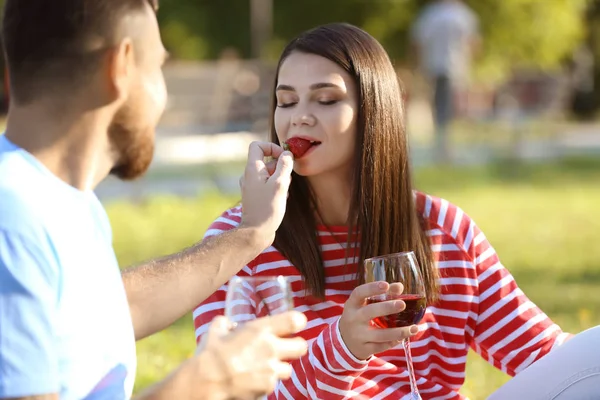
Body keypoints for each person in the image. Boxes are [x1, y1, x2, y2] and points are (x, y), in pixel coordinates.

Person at [193, 23, 600, 399]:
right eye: (286, 101)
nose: (299, 115)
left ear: (375, 111)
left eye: (326, 98)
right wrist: (342, 348)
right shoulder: (233, 244)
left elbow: (548, 358)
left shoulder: (445, 230)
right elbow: (228, 393)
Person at [0, 1, 308, 399]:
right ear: (121, 67)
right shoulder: (13, 220)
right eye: (159, 67)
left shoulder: (57, 201)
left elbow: (103, 315)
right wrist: (202, 385)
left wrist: (252, 233)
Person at [410, 0, 481, 162]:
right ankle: (446, 149)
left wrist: (418, 65)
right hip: (456, 68)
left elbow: (418, 42)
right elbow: (474, 43)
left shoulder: (431, 14)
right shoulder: (465, 15)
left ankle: (443, 147)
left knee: (440, 107)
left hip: (434, 68)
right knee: (450, 108)